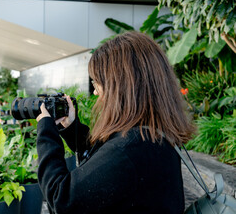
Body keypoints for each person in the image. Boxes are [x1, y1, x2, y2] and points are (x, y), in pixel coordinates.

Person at [35, 32, 196, 214]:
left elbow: (61, 199)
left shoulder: (130, 150)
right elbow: (107, 163)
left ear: (119, 86)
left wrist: (46, 134)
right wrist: (73, 129)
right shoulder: (151, 135)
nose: (96, 93)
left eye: (96, 84)